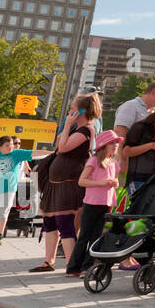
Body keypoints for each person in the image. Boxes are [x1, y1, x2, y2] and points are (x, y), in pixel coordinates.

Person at [32, 93, 101, 272]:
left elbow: (63, 148)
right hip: (56, 182)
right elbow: (58, 145)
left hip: (68, 182)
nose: (69, 112)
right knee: (50, 222)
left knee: (64, 222)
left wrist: (68, 125)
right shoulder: (74, 129)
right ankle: (49, 261)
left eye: (72, 109)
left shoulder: (86, 129)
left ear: (82, 111)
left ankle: (73, 264)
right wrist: (68, 128)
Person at [66, 130, 122, 276]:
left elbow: (115, 181)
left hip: (106, 203)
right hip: (91, 203)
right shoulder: (94, 161)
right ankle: (73, 268)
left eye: (116, 143)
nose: (115, 146)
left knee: (96, 237)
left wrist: (114, 183)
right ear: (104, 145)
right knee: (84, 235)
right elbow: (82, 181)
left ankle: (86, 267)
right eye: (112, 143)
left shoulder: (114, 163)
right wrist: (102, 182)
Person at [0, 136, 32, 244]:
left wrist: (53, 152)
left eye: (12, 144)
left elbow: (34, 152)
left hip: (8, 189)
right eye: (8, 145)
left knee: (2, 213)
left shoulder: (16, 154)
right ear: (0, 147)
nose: (11, 146)